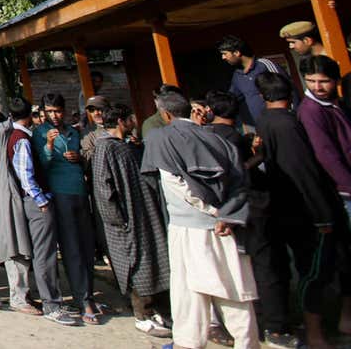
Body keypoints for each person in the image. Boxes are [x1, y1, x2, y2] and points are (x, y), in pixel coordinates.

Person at [140, 86, 257, 349]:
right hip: (225, 226)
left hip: (187, 226)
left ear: (165, 115)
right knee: (233, 289)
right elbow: (240, 182)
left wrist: (212, 211)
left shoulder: (160, 138)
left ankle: (188, 343)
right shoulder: (220, 140)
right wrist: (226, 214)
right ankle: (246, 343)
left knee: (188, 291)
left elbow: (175, 184)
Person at [256, 69, 348, 348]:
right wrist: (322, 215)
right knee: (313, 272)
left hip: (286, 207)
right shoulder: (287, 125)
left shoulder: (264, 121)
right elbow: (304, 173)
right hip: (306, 211)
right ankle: (316, 334)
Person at [0, 99, 77, 325]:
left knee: (37, 252)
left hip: (24, 200)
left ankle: (48, 299)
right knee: (43, 253)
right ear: (31, 116)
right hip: (34, 202)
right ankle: (51, 303)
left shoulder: (10, 136)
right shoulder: (21, 139)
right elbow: (25, 174)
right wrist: (41, 199)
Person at [87, 102, 172, 338]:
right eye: (131, 119)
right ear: (122, 121)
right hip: (126, 221)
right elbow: (104, 191)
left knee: (152, 262)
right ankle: (142, 315)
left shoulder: (124, 146)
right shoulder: (105, 148)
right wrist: (118, 221)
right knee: (137, 266)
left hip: (140, 214)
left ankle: (157, 310)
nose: (135, 122)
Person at [33, 93, 99, 323]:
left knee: (87, 245)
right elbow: (41, 164)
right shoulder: (39, 134)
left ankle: (88, 292)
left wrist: (78, 157)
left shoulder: (73, 132)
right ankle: (83, 299)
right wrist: (50, 145)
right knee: (71, 246)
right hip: (59, 192)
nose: (54, 116)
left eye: (57, 111)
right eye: (49, 111)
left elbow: (85, 158)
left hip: (79, 190)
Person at [297, 55, 351, 222]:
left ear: (336, 80)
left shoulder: (336, 103)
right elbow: (326, 154)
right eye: (311, 81)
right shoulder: (311, 111)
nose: (317, 87)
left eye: (324, 81)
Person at [219, 35, 282, 129]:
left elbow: (288, 89)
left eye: (225, 53)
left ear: (236, 52)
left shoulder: (264, 65)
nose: (223, 57)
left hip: (281, 122)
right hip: (262, 127)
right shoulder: (237, 76)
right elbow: (232, 98)